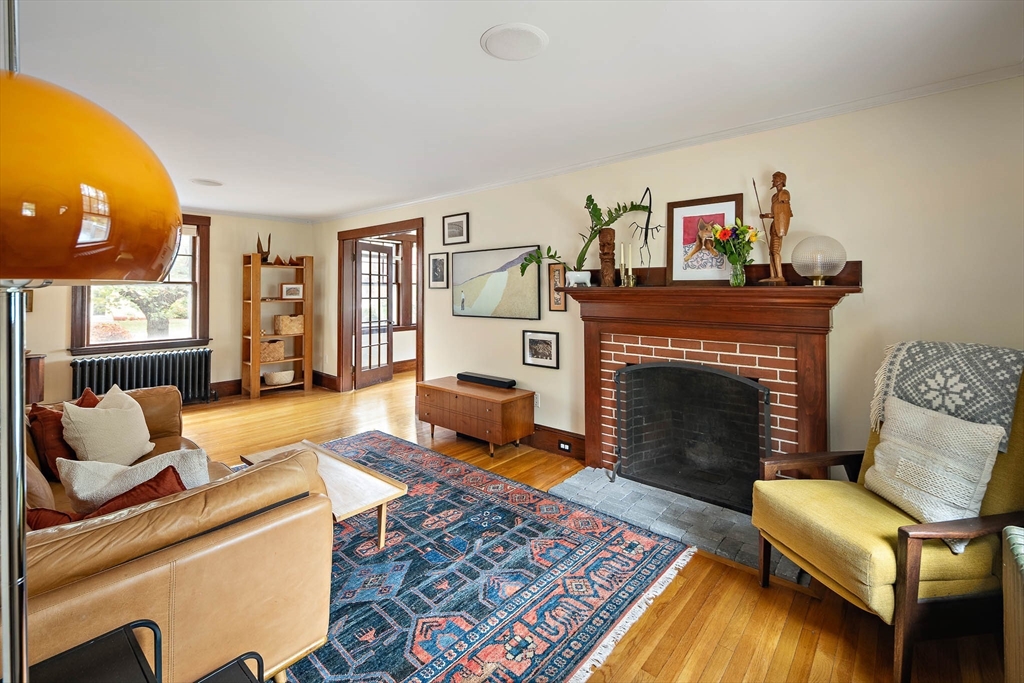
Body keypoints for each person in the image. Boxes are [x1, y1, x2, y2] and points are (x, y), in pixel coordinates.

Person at [759, 171, 792, 282]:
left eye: (774, 179)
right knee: (771, 251)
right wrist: (767, 216)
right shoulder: (774, 196)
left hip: (779, 226)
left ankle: (780, 276)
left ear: (780, 180)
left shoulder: (784, 194)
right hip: (774, 225)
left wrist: (769, 215)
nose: (773, 181)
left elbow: (785, 212)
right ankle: (773, 276)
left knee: (776, 251)